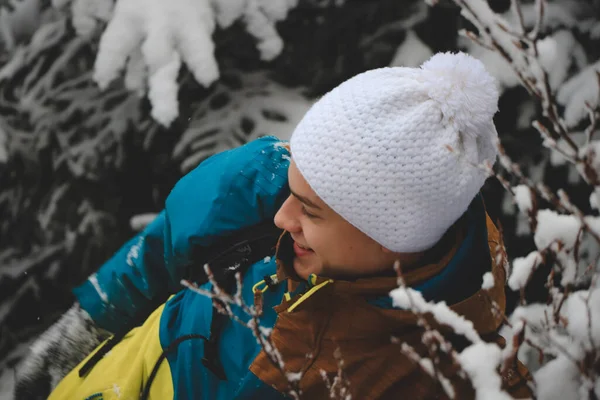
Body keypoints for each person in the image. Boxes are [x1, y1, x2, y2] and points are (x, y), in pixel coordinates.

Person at [15, 52, 532, 399]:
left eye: (311, 211)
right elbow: (164, 247)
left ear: (393, 238)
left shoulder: (433, 375)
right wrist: (86, 326)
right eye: (294, 189)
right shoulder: (262, 182)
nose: (283, 217)